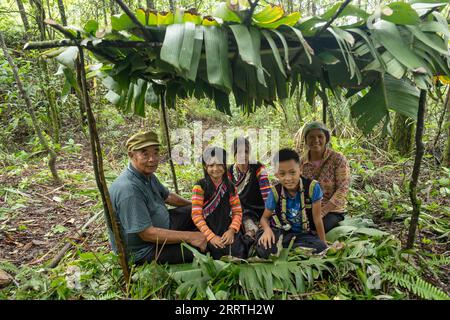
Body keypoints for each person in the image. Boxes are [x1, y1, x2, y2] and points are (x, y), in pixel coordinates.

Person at [108, 131, 207, 265]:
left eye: (155, 152)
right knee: (204, 247)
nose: (152, 159)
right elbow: (147, 234)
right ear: (131, 155)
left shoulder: (146, 174)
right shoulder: (128, 190)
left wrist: (195, 205)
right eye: (145, 153)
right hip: (145, 249)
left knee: (202, 210)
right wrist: (191, 237)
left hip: (165, 224)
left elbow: (168, 196)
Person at [256, 148, 327, 259]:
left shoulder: (312, 188)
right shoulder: (275, 192)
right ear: (276, 175)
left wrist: (324, 245)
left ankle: (286, 252)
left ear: (300, 170)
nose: (288, 178)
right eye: (282, 174)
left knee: (320, 247)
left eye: (292, 172)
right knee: (264, 248)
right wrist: (267, 230)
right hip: (282, 233)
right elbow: (264, 219)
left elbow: (317, 218)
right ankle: (296, 251)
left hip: (303, 235)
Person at [191, 146, 247, 259]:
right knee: (213, 253)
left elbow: (237, 212)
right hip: (207, 230)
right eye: (211, 165)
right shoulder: (200, 187)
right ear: (205, 166)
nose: (215, 169)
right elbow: (196, 215)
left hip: (226, 228)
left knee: (239, 252)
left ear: (225, 165)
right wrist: (211, 237)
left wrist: (231, 230)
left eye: (220, 164)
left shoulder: (230, 186)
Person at [297, 121, 350, 232]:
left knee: (319, 227)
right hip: (308, 208)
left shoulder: (337, 159)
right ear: (306, 140)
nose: (316, 140)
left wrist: (323, 211)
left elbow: (343, 188)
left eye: (320, 136)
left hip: (332, 210)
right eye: (311, 137)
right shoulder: (301, 162)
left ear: (326, 139)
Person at [228, 137, 271, 239]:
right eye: (239, 152)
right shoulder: (229, 172)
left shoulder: (258, 168)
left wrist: (268, 217)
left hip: (258, 210)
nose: (243, 155)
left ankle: (251, 234)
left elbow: (267, 196)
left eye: (246, 151)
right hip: (239, 210)